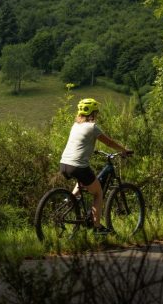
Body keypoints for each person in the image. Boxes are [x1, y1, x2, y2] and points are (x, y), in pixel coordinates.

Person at [59, 98, 131, 234]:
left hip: (64, 164)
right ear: (93, 113)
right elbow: (109, 143)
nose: (97, 115)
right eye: (96, 112)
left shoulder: (75, 126)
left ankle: (70, 201)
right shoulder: (92, 127)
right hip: (78, 166)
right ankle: (97, 228)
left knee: (83, 181)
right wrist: (123, 150)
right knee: (98, 193)